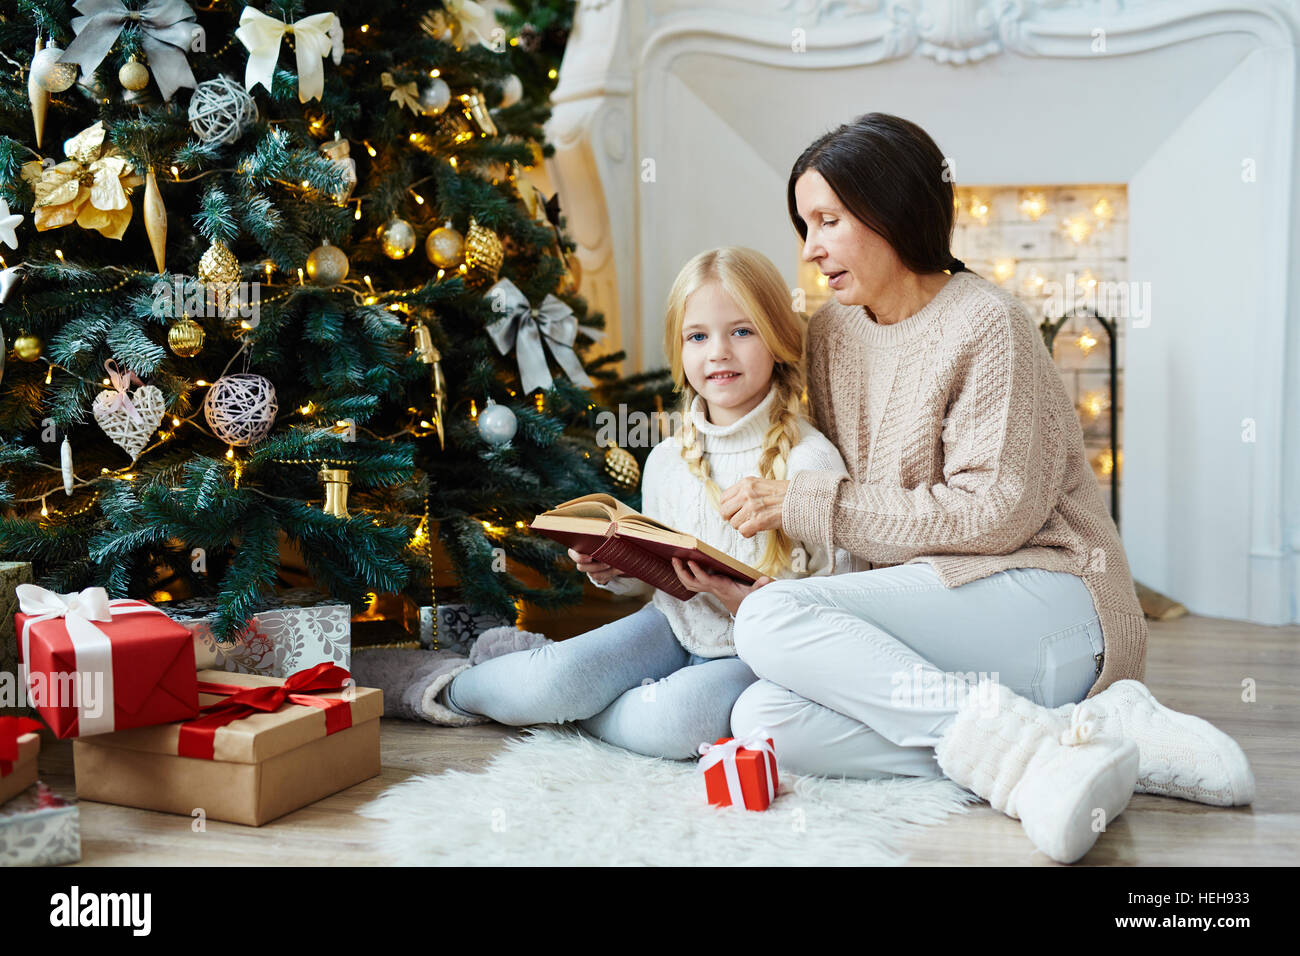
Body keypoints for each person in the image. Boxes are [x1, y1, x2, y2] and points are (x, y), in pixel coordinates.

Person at [721, 113, 1254, 863]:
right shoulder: (835, 334)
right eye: (804, 224)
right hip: (945, 613)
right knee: (762, 718)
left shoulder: (988, 322)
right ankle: (1067, 739)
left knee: (770, 622)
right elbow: (849, 502)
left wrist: (810, 511)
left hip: (1051, 594)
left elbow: (992, 515)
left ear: (890, 210)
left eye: (827, 221)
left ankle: (1034, 755)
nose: (809, 249)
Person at [428, 246, 854, 759]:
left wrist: (753, 604)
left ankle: (577, 709)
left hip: (755, 654)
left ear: (779, 339)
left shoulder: (812, 461)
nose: (718, 351)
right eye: (697, 336)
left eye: (741, 331)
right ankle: (442, 687)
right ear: (680, 351)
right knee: (553, 680)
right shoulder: (668, 458)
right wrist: (614, 568)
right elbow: (658, 576)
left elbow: (842, 603)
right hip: (671, 626)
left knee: (671, 723)